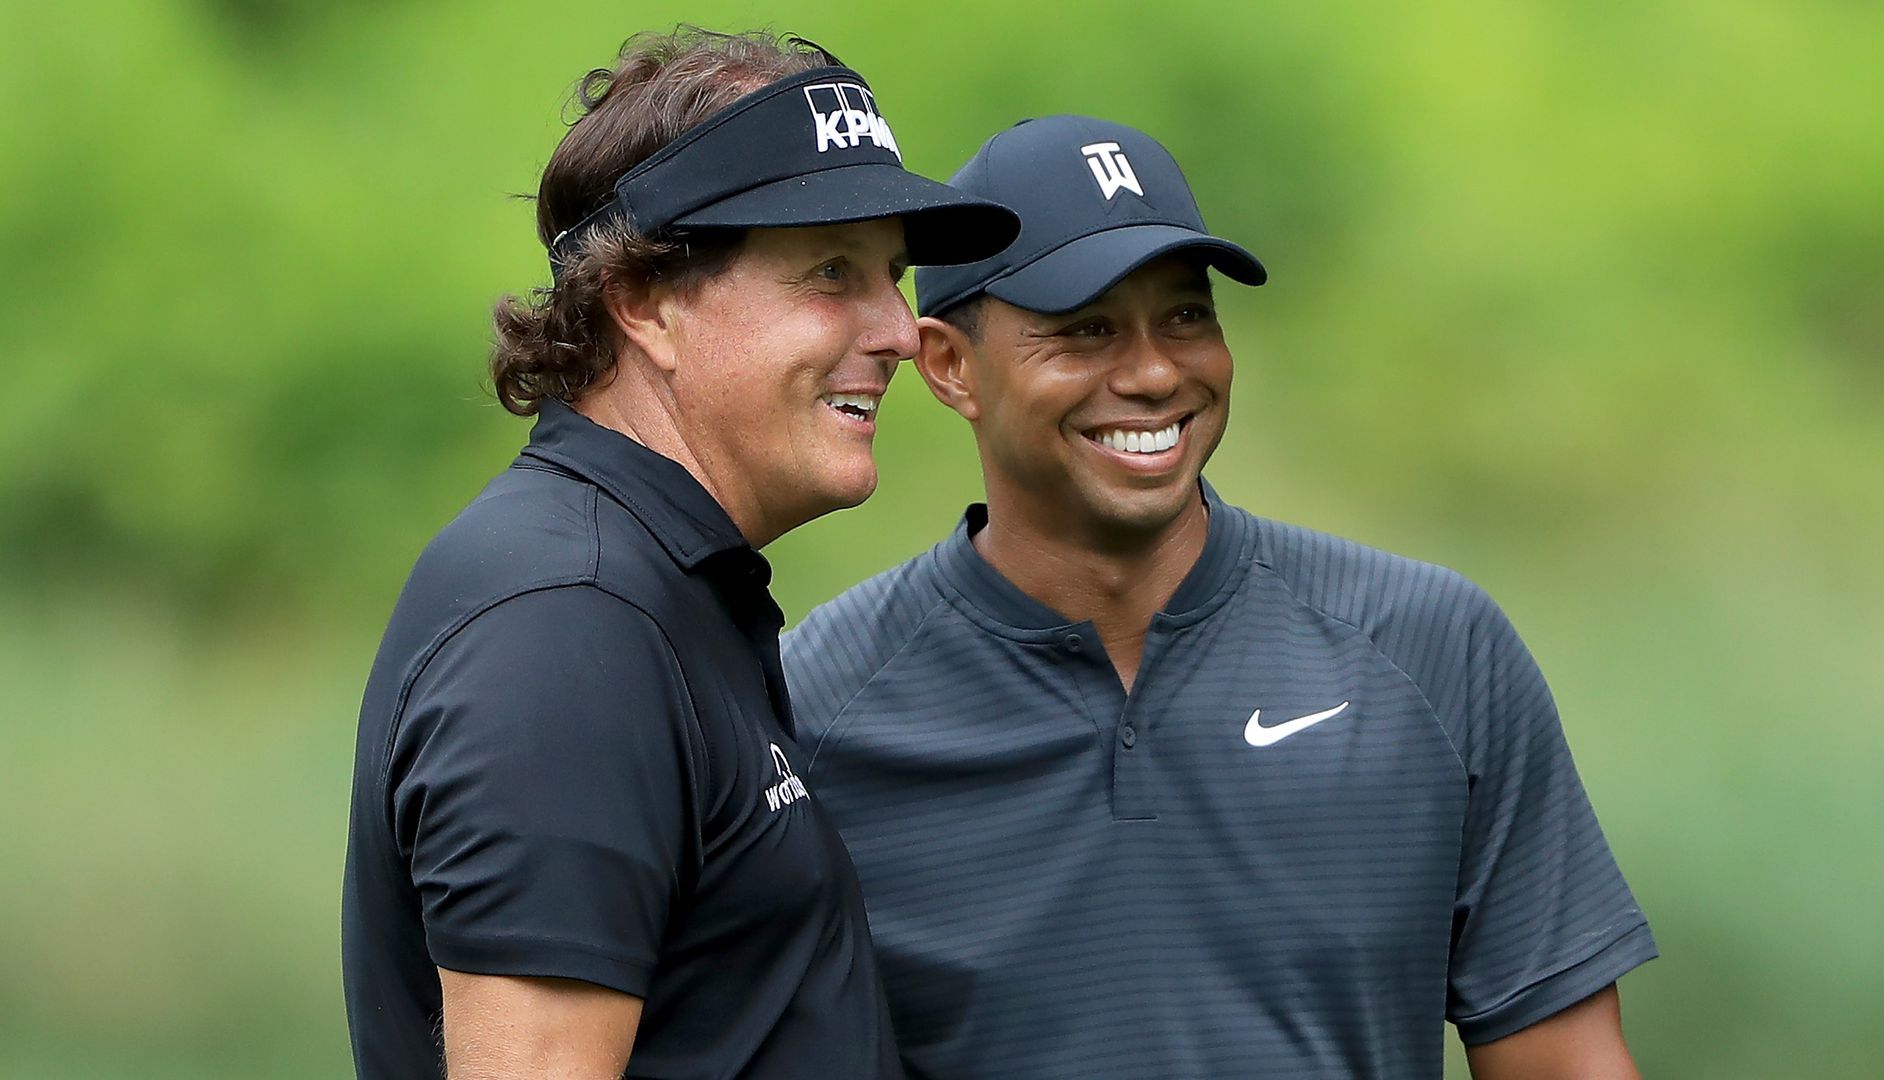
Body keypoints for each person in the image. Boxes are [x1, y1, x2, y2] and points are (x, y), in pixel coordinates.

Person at [782, 115, 1655, 1080]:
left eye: (1187, 317)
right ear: (950, 366)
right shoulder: (815, 709)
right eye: (1087, 329)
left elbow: (1565, 1059)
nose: (1156, 372)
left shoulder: (1431, 648)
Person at [341, 29, 1017, 1080]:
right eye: (831, 271)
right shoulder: (567, 628)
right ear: (645, 300)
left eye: (895, 274)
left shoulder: (647, 588)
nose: (897, 328)